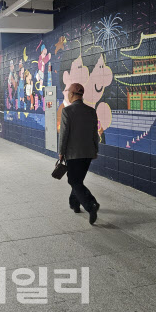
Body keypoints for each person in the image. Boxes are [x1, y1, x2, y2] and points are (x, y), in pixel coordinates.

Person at [58, 83, 100, 225]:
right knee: (78, 180)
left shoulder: (67, 111)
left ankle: (91, 204)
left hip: (73, 153)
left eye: (68, 93)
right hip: (88, 153)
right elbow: (94, 133)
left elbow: (64, 134)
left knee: (73, 181)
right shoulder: (91, 111)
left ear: (72, 94)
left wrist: (61, 152)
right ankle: (74, 204)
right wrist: (95, 150)